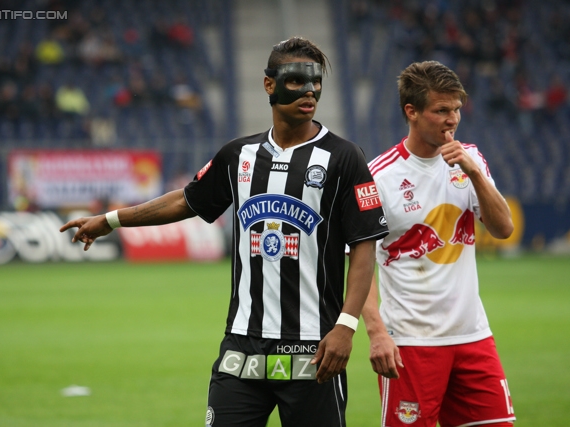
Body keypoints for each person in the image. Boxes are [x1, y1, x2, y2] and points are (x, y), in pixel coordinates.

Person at [60, 36, 389, 427]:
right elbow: (186, 200)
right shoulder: (239, 155)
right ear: (270, 85)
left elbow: (364, 247)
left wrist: (346, 327)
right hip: (241, 347)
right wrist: (111, 220)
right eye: (297, 80)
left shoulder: (344, 157)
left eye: (316, 82)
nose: (310, 91)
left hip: (314, 346)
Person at [362, 60, 516, 427]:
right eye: (441, 110)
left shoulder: (471, 159)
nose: (452, 120)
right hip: (411, 344)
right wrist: (377, 333)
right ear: (411, 112)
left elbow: (503, 228)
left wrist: (474, 173)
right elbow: (359, 263)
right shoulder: (378, 178)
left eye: (457, 110)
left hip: (474, 337)